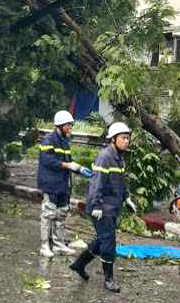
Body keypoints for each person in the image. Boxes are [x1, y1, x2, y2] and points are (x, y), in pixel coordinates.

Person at [69, 122, 136, 293]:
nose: (126, 141)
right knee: (108, 242)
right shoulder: (105, 157)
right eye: (123, 138)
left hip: (112, 206)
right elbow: (96, 184)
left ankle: (78, 265)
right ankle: (109, 279)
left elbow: (120, 182)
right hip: (101, 207)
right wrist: (97, 205)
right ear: (113, 139)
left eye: (128, 138)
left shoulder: (119, 158)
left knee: (101, 241)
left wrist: (126, 198)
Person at [37, 110, 91, 258]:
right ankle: (44, 246)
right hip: (50, 183)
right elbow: (47, 161)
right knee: (48, 214)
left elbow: (68, 161)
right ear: (60, 125)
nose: (70, 128)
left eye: (71, 125)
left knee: (61, 214)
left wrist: (79, 168)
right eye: (68, 125)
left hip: (63, 184)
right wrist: (67, 166)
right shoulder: (48, 140)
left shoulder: (65, 142)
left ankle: (59, 245)